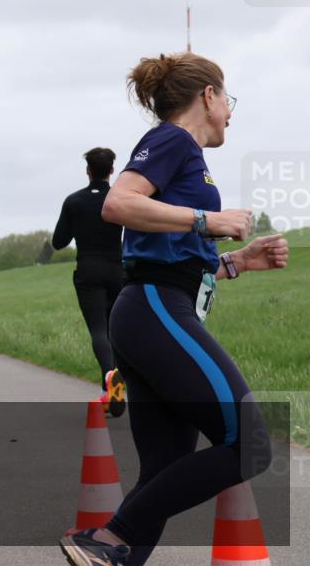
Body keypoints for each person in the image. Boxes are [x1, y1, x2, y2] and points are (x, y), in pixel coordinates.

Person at [60, 52, 288, 566]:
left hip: (153, 309)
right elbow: (117, 204)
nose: (230, 111)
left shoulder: (185, 157)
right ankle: (110, 539)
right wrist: (209, 219)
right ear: (207, 96)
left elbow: (174, 259)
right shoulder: (172, 139)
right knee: (249, 444)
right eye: (227, 99)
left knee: (162, 471)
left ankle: (110, 552)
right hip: (154, 311)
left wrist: (237, 263)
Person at [52, 147, 127, 417]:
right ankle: (114, 389)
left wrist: (78, 225)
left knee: (98, 331)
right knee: (115, 331)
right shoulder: (120, 198)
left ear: (88, 170)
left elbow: (58, 242)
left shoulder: (74, 202)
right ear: (112, 171)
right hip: (118, 269)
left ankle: (109, 378)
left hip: (87, 270)